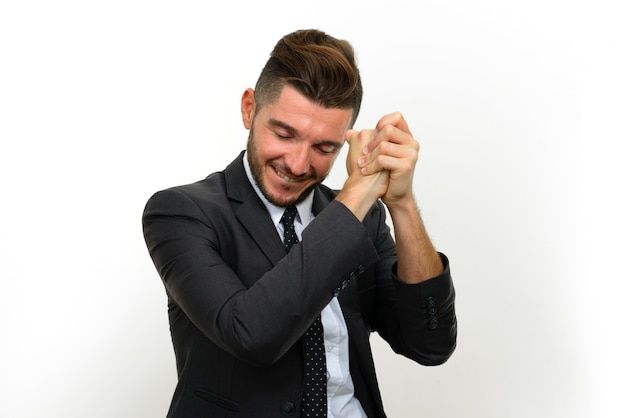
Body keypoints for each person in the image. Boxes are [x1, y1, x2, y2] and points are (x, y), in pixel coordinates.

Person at [142, 28, 457, 418]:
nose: (296, 164)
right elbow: (251, 334)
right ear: (248, 109)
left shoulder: (361, 217)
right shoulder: (182, 213)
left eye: (324, 148)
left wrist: (401, 202)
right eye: (283, 134)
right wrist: (357, 194)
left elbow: (430, 344)